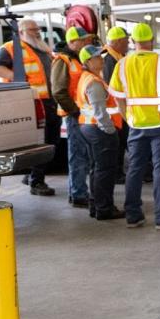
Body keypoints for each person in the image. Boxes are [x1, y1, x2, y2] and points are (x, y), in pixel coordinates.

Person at [108, 23, 160, 230]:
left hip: (136, 125)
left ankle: (133, 215)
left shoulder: (122, 64)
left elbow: (118, 99)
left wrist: (128, 119)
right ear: (152, 40)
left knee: (135, 169)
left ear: (134, 42)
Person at [0, 18, 58, 196]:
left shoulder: (42, 47)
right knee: (42, 140)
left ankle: (32, 175)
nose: (37, 32)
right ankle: (37, 182)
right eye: (33, 29)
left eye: (37, 29)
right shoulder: (10, 48)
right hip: (30, 102)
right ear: (22, 32)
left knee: (51, 140)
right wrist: (20, 81)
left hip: (49, 100)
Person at [75, 46, 124, 220]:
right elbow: (100, 111)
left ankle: (96, 206)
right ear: (88, 62)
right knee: (105, 170)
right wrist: (110, 130)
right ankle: (105, 209)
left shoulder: (89, 78)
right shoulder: (94, 82)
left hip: (90, 129)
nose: (101, 59)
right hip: (100, 130)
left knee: (97, 169)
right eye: (97, 57)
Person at [51, 26, 95, 208]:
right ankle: (78, 194)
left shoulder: (76, 60)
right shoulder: (63, 61)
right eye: (83, 40)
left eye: (87, 40)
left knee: (82, 154)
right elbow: (59, 91)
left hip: (83, 115)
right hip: (75, 115)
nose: (86, 43)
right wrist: (75, 110)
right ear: (72, 42)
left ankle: (78, 192)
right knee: (78, 155)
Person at [102, 25, 131, 182]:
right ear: (118, 41)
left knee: (122, 142)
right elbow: (110, 85)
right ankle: (117, 174)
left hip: (119, 108)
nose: (128, 43)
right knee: (118, 143)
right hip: (114, 110)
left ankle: (119, 172)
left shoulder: (117, 56)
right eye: (126, 40)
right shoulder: (108, 59)